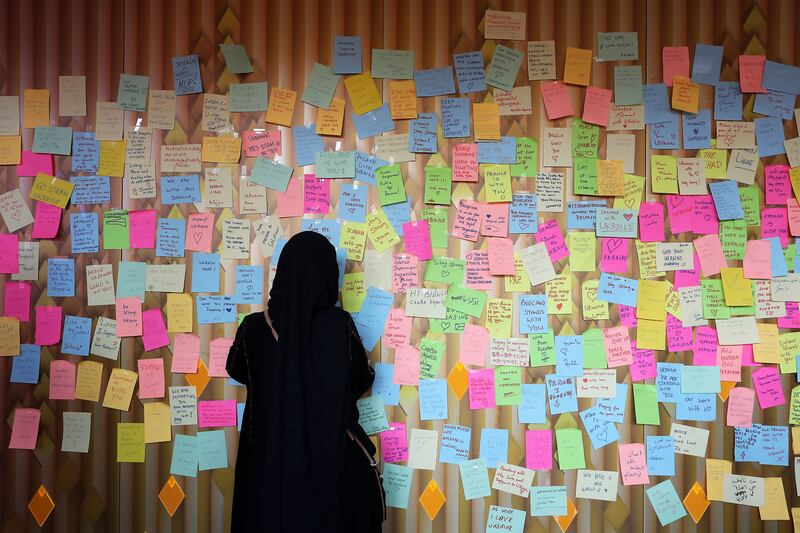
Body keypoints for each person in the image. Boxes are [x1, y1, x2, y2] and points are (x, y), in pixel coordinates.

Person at [226, 231, 385, 532]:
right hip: (332, 473)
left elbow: (235, 369)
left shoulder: (253, 330)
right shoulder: (339, 328)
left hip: (267, 469)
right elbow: (361, 379)